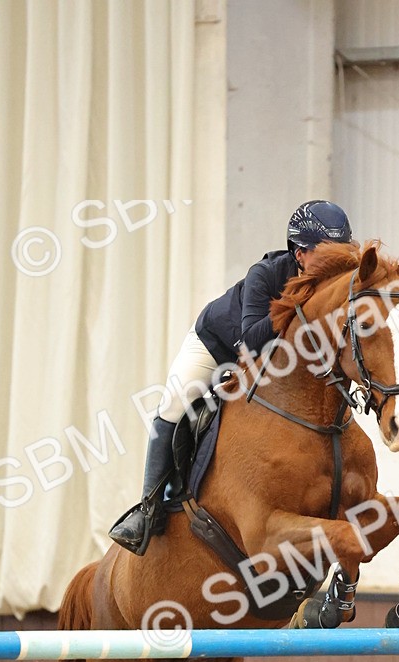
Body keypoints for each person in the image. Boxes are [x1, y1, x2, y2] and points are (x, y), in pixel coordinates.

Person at [109, 200, 354, 554]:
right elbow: (250, 344)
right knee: (175, 405)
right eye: (329, 253)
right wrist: (290, 309)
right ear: (300, 253)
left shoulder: (333, 285)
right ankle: (148, 509)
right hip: (219, 346)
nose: (339, 262)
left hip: (272, 358)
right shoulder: (265, 275)